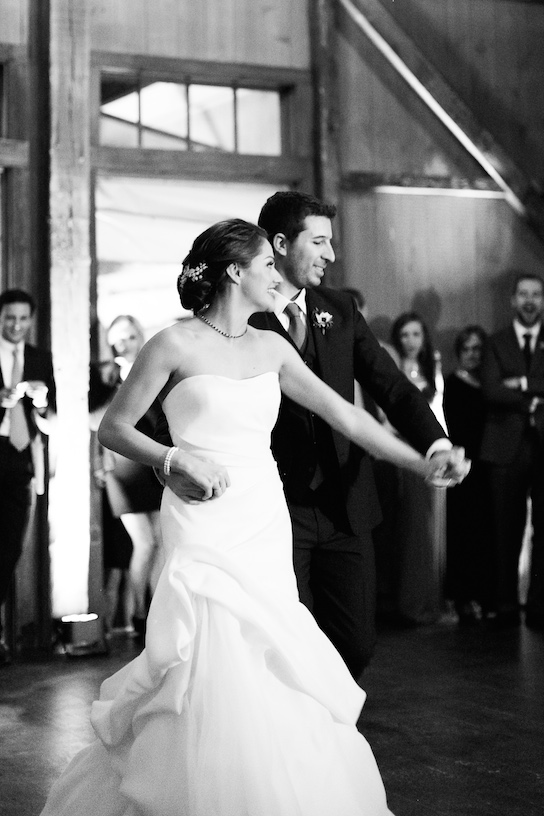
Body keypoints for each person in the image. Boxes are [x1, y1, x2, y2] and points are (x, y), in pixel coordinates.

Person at [39, 219, 460, 816]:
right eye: (266, 265)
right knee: (209, 650)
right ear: (235, 272)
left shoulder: (271, 348)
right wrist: (172, 459)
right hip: (201, 518)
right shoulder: (173, 344)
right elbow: (114, 428)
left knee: (267, 649)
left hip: (262, 514)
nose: (277, 278)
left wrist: (421, 462)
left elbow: (347, 416)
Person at [160, 192, 467, 678]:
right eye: (319, 241)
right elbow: (172, 417)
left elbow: (387, 388)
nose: (331, 255)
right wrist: (170, 465)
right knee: (281, 644)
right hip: (270, 508)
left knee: (357, 645)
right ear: (281, 244)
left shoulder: (339, 309)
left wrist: (433, 447)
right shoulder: (237, 317)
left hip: (346, 503)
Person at [479, 273, 544, 629]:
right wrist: (533, 397)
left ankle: (538, 606)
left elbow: (505, 388)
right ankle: (505, 604)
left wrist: (520, 383)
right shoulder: (495, 342)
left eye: (536, 294)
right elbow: (490, 390)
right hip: (504, 448)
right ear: (513, 300)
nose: (530, 300)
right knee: (505, 529)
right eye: (524, 294)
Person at [0, 288, 55, 666]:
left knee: (9, 548)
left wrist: (41, 402)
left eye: (22, 318)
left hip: (20, 460)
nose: (16, 325)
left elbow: (51, 421)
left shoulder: (40, 359)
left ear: (31, 320)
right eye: (10, 318)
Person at [101, 315, 164, 641]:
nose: (123, 344)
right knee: (144, 542)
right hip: (123, 468)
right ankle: (139, 612)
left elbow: (158, 417)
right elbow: (96, 420)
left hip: (152, 463)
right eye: (117, 339)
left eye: (129, 337)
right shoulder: (104, 377)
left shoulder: (154, 370)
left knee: (161, 541)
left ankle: (156, 611)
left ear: (140, 338)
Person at [389, 311, 448, 625]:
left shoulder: (432, 367)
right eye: (404, 334)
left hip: (434, 450)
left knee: (433, 528)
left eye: (415, 334)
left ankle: (431, 602)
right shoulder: (393, 368)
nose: (410, 340)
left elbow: (439, 414)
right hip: (407, 452)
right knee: (414, 528)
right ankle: (412, 604)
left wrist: (445, 449)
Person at [443, 325, 489, 625]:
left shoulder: (487, 384)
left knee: (483, 534)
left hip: (486, 465)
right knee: (463, 534)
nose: (472, 354)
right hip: (463, 463)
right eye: (467, 349)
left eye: (477, 349)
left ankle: (480, 597)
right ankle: (462, 599)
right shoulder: (453, 382)